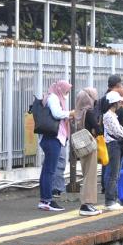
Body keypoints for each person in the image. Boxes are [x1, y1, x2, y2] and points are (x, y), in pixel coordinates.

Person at [39, 80, 74, 212]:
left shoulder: (52, 97)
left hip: (50, 137)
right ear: (60, 89)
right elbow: (56, 114)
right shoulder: (54, 98)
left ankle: (44, 199)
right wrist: (70, 113)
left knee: (46, 170)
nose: (67, 93)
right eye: (66, 90)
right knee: (50, 170)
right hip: (52, 137)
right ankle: (47, 200)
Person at [102, 91, 123, 210]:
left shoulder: (112, 115)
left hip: (114, 145)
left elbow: (120, 129)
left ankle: (112, 199)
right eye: (119, 101)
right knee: (113, 173)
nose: (120, 103)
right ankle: (110, 201)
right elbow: (117, 131)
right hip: (113, 145)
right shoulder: (108, 115)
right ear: (114, 103)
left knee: (115, 173)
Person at [73, 88, 102, 216]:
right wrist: (98, 124)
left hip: (80, 146)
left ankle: (87, 204)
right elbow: (98, 129)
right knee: (90, 175)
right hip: (89, 145)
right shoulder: (89, 112)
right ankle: (86, 204)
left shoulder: (77, 113)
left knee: (86, 174)